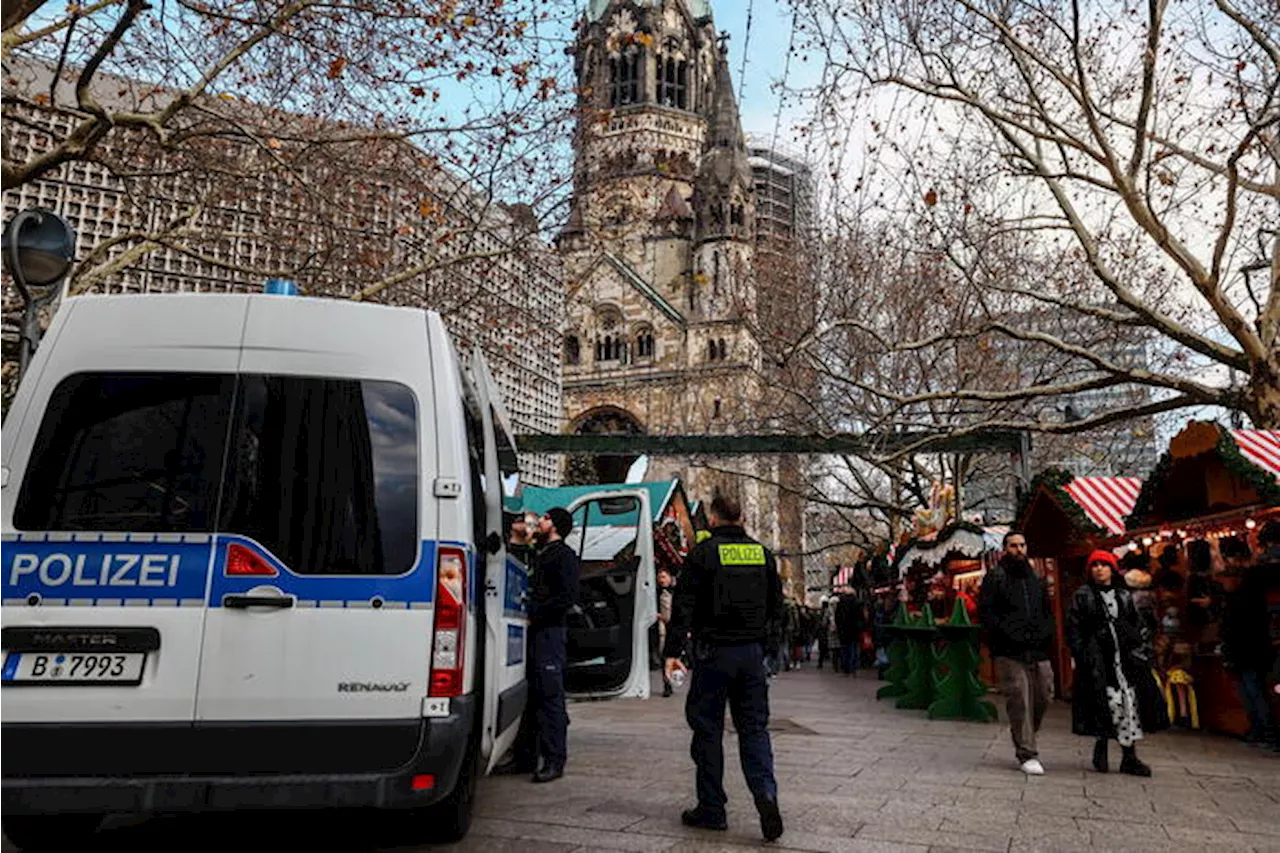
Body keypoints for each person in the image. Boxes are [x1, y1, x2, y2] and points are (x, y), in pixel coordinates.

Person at [664, 491, 784, 843]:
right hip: (751, 656)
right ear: (742, 518)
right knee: (754, 730)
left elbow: (683, 606)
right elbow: (776, 608)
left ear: (714, 518)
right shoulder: (762, 554)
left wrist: (673, 651)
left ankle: (712, 808)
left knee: (707, 730)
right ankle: (766, 794)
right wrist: (769, 652)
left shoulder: (703, 553)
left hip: (713, 654)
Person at [1066, 551, 1168, 776]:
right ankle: (1101, 746)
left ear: (1112, 569)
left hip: (1125, 660)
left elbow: (1137, 624)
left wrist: (1137, 645)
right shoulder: (1082, 596)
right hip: (1098, 659)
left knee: (1127, 703)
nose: (1099, 569)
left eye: (1104, 565)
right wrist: (1083, 654)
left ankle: (1129, 756)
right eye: (1095, 565)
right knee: (1106, 702)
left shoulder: (1123, 595)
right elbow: (1074, 629)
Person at [977, 531, 1056, 776]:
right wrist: (1002, 636)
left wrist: (1046, 633)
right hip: (1009, 650)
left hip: (1037, 648)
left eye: (1022, 545)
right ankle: (1027, 752)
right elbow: (987, 613)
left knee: (1044, 693)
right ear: (1005, 548)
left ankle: (1026, 733)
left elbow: (1046, 610)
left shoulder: (1035, 579)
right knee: (1019, 698)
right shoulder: (996, 578)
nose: (1019, 549)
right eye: (1013, 546)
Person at [525, 507, 580, 783]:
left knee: (550, 697)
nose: (540, 521)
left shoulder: (564, 556)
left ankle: (554, 760)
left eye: (545, 518)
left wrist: (535, 611)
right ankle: (527, 758)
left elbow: (566, 597)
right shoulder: (539, 552)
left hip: (549, 632)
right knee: (533, 696)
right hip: (535, 632)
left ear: (555, 525)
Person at [1224, 552, 1278, 748]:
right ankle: (1261, 729)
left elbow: (1234, 628)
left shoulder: (1239, 602)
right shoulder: (1257, 601)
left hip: (1245, 651)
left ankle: (1263, 730)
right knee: (1254, 691)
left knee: (1252, 692)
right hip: (1254, 651)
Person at [836, 591, 864, 676]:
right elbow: (861, 617)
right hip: (854, 631)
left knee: (844, 650)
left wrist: (839, 628)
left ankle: (845, 668)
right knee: (853, 649)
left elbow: (837, 617)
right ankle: (853, 667)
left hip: (843, 631)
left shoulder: (840, 604)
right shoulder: (857, 603)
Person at [658, 567, 675, 697]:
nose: (661, 580)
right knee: (664, 656)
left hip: (675, 626)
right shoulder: (657, 592)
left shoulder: (676, 591)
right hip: (663, 627)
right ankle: (667, 685)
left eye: (664, 577)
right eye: (659, 577)